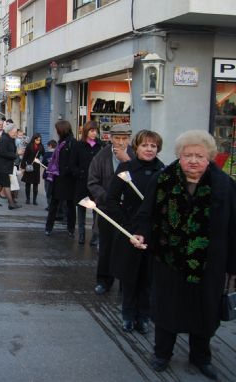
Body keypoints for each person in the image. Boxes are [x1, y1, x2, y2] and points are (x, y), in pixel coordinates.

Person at [130, 130, 236, 379]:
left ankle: (201, 357)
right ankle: (162, 354)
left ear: (210, 157)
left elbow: (234, 227)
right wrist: (140, 234)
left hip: (209, 263)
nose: (194, 160)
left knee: (204, 311)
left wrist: (233, 265)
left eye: (200, 155)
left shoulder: (225, 185)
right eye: (188, 155)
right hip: (169, 258)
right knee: (168, 309)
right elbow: (146, 214)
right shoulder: (163, 179)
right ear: (179, 156)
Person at [107, 130, 164, 334]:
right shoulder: (126, 169)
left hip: (152, 231)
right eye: (145, 145)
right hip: (129, 229)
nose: (149, 149)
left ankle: (144, 315)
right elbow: (111, 200)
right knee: (130, 274)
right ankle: (128, 314)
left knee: (148, 276)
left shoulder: (163, 171)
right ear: (136, 147)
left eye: (154, 146)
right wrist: (127, 223)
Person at [88, 123, 134, 294]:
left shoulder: (134, 155)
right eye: (117, 138)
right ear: (111, 138)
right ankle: (103, 281)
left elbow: (139, 179)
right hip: (108, 208)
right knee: (106, 246)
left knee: (127, 247)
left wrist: (128, 162)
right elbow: (92, 182)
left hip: (128, 209)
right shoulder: (102, 156)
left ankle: (125, 283)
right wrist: (106, 198)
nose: (121, 142)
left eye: (124, 138)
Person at [70, 120, 103, 245]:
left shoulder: (101, 146)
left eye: (96, 131)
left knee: (97, 211)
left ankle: (95, 235)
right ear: (86, 131)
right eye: (91, 131)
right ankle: (82, 235)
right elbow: (72, 164)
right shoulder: (79, 146)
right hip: (82, 183)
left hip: (97, 183)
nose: (94, 133)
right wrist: (79, 173)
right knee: (82, 209)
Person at [45, 120, 77, 237]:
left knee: (69, 205)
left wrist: (67, 171)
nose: (56, 132)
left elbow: (73, 161)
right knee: (55, 204)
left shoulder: (71, 143)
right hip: (58, 178)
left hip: (67, 179)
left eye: (57, 129)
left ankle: (70, 228)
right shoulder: (61, 142)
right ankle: (49, 227)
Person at [0, 123, 21, 210]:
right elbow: (2, 152)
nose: (16, 133)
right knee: (6, 184)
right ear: (10, 131)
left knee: (0, 183)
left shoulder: (9, 139)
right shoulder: (4, 139)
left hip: (4, 165)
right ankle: (11, 204)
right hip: (2, 166)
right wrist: (16, 154)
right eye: (15, 132)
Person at [21, 133, 45, 205]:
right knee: (27, 184)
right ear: (34, 139)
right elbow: (25, 156)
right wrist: (23, 166)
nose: (38, 141)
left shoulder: (41, 146)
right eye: (37, 140)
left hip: (36, 167)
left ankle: (34, 200)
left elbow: (44, 154)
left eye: (39, 140)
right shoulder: (29, 145)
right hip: (29, 166)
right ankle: (28, 199)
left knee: (35, 184)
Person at [42, 140, 57, 210]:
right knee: (54, 191)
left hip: (47, 175)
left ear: (50, 146)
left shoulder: (47, 154)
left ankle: (49, 206)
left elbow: (43, 164)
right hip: (55, 175)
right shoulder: (58, 153)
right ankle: (54, 206)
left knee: (48, 191)